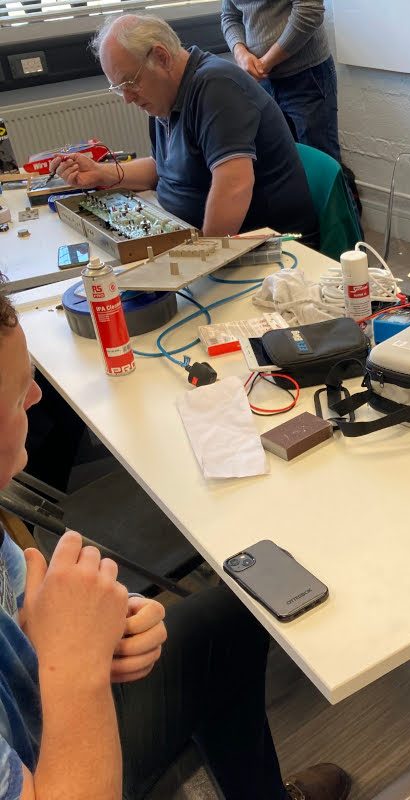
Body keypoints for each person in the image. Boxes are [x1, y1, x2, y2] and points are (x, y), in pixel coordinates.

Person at [0, 284, 350, 798]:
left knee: (232, 620)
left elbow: (24, 609)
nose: (36, 398)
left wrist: (93, 628)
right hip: (53, 766)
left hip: (36, 709)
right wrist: (74, 670)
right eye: (15, 394)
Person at [53, 13, 319, 245]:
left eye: (130, 82)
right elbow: (163, 169)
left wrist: (201, 258)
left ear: (161, 57)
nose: (127, 98)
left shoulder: (217, 87)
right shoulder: (162, 96)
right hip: (201, 238)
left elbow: (235, 185)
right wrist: (101, 173)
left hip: (269, 250)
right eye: (118, 89)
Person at [222, 0, 342, 163]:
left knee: (320, 164)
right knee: (283, 164)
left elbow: (309, 10)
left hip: (306, 77)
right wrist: (240, 53)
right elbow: (230, 16)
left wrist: (266, 63)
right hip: (263, 83)